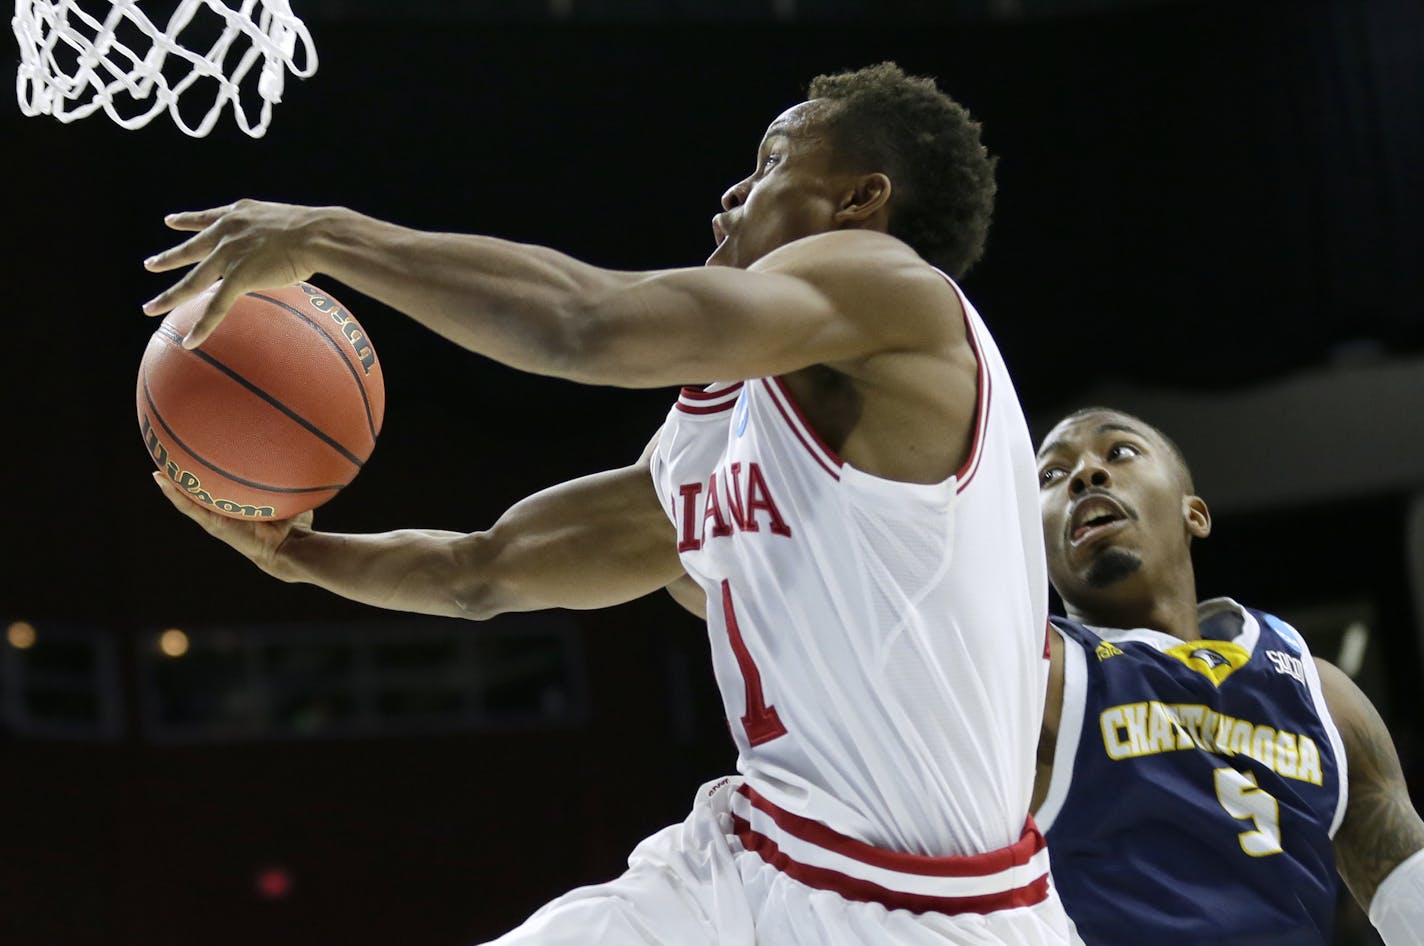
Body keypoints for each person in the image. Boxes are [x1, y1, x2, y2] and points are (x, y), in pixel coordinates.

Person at [143, 63, 1075, 945]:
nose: (733, 196)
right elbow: (486, 571)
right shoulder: (719, 427)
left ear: (861, 202)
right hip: (754, 863)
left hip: (944, 910)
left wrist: (327, 235)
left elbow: (583, 324)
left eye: (773, 164)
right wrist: (294, 555)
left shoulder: (898, 295)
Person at [1031, 406, 1424, 946]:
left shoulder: (1321, 695)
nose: (1085, 474)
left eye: (1119, 452)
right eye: (1051, 475)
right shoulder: (1033, 676)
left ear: (1194, 513)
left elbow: (1410, 891)